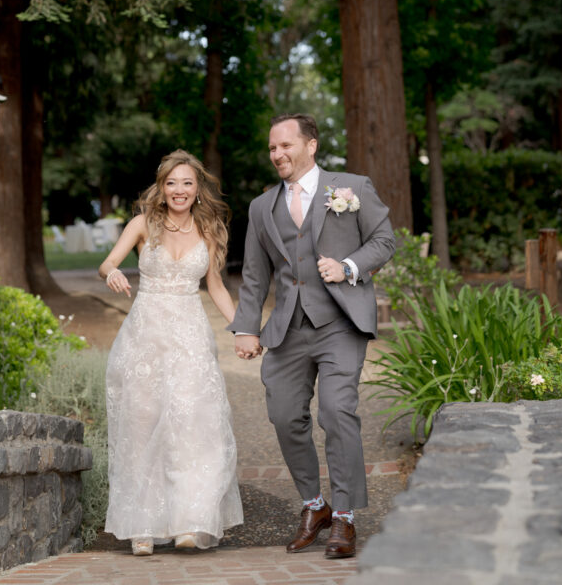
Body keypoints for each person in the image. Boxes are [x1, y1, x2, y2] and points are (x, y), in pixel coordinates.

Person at [229, 113, 395, 560]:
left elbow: (384, 239)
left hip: (340, 321)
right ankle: (314, 505)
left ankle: (344, 517)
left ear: (311, 145)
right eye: (271, 148)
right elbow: (254, 274)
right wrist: (247, 327)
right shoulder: (261, 208)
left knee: (337, 412)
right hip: (287, 327)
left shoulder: (351, 188)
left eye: (285, 145)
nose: (277, 154)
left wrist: (348, 267)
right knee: (284, 416)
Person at [99, 150, 243, 555]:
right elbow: (109, 261)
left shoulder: (210, 229)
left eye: (187, 183)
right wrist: (111, 271)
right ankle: (141, 526)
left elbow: (215, 287)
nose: (179, 190)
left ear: (198, 189)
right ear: (161, 188)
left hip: (191, 339)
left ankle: (188, 521)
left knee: (194, 427)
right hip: (145, 338)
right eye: (172, 183)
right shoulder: (143, 224)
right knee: (141, 427)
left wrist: (243, 330)